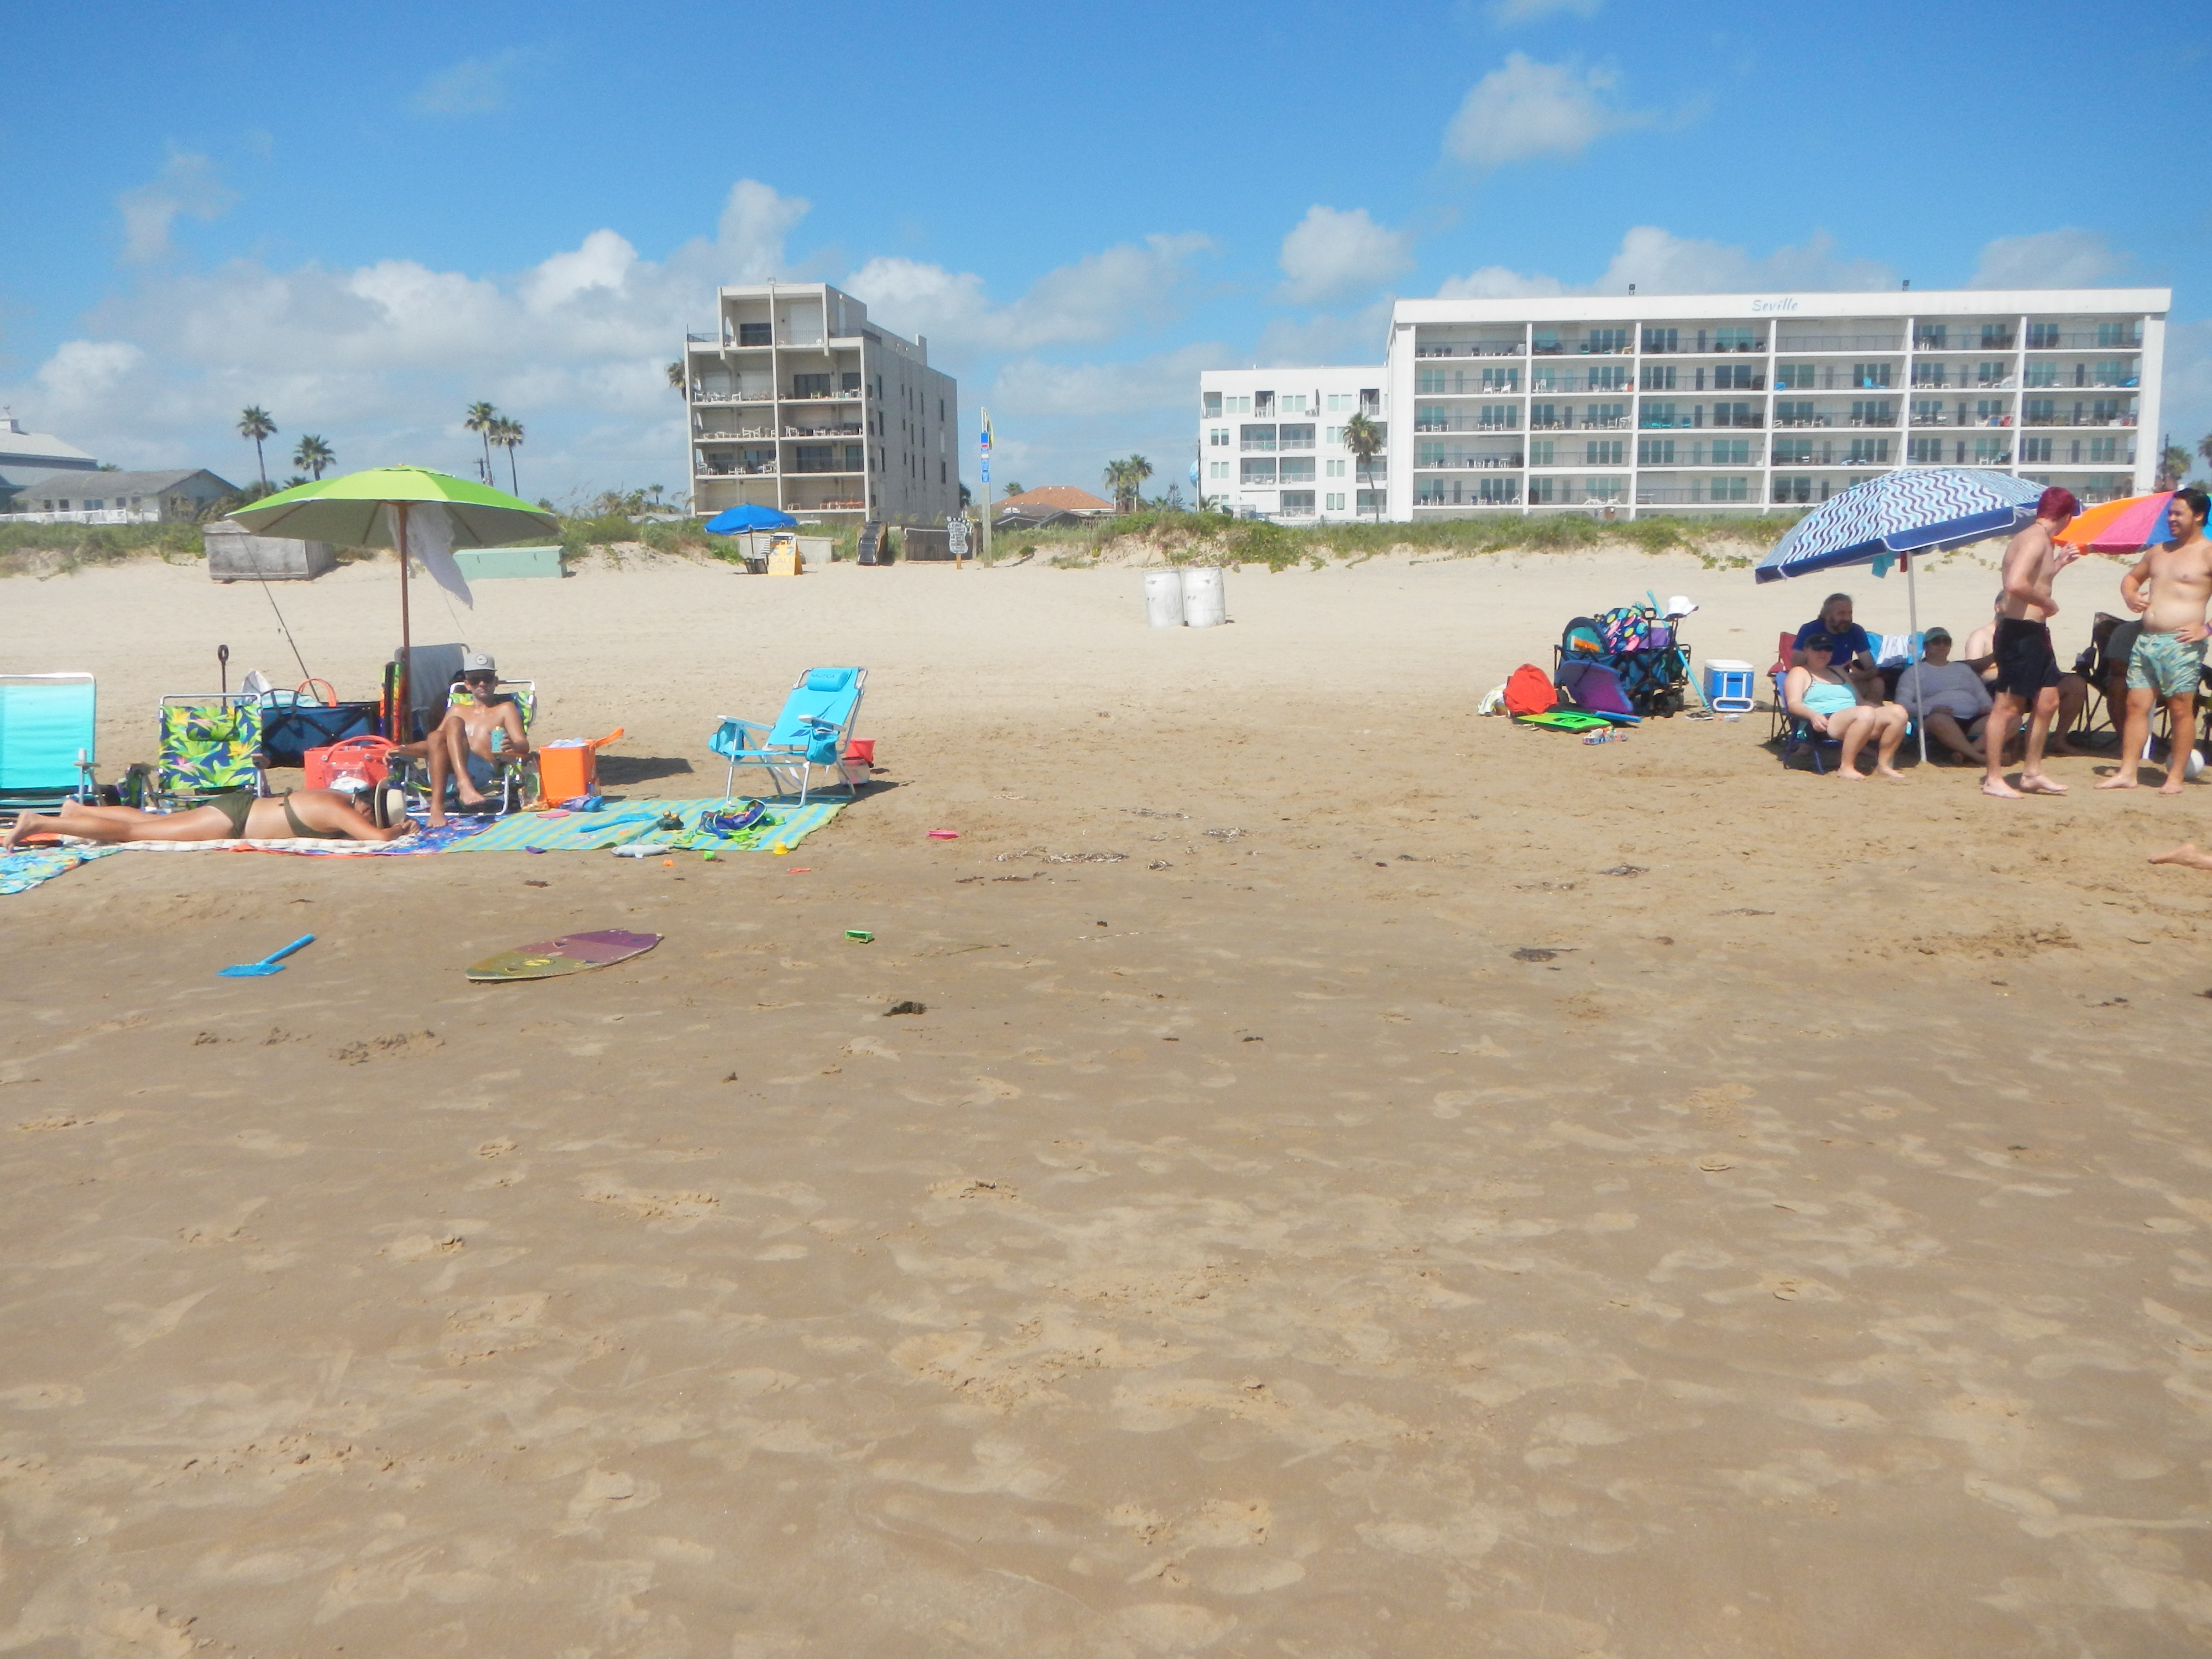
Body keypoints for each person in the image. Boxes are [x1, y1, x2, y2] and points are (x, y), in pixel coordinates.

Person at [2097, 487, 2212, 795]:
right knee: (2136, 705)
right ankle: (2127, 772)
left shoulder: (2207, 553)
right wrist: (2130, 595)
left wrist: (2207, 629)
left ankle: (2174, 777)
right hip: (2147, 640)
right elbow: (2132, 578)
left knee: (2180, 709)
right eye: (2170, 513)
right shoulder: (2159, 551)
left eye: (2178, 514)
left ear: (2198, 516)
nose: (2171, 518)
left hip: (2181, 643)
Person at [1983, 486, 2081, 799]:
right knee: (2007, 708)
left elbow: (2036, 578)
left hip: (2036, 634)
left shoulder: (2042, 541)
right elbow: (2015, 584)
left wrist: (2059, 563)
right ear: (2066, 516)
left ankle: (2032, 773)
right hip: (2019, 633)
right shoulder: (2035, 539)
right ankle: (1993, 778)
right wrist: (2047, 603)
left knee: (2049, 701)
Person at [3, 787, 411, 852]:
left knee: (147, 821)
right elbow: (375, 840)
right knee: (131, 832)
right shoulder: (340, 810)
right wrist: (399, 829)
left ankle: (78, 812)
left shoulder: (334, 796)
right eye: (371, 815)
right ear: (365, 808)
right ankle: (38, 823)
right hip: (232, 821)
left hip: (239, 807)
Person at [392, 651, 530, 827]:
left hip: (481, 772)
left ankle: (447, 797)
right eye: (475, 679)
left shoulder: (505, 709)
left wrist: (513, 746)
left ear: (496, 682)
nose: (482, 684)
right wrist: (404, 748)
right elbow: (434, 744)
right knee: (437, 735)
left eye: (487, 679)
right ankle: (452, 794)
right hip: (447, 773)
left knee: (453, 724)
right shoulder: (457, 709)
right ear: (467, 684)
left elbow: (523, 744)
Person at [1785, 632, 1908, 779]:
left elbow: (1860, 701)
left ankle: (1883, 766)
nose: (1823, 653)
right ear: (1806, 650)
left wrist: (1884, 711)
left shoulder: (1837, 671)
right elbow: (1793, 704)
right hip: (1823, 721)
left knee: (1898, 712)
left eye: (1828, 649)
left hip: (1859, 716)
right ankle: (1846, 767)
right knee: (1865, 713)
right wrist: (1813, 715)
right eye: (1817, 649)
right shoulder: (1799, 672)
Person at [1895, 627, 1992, 763]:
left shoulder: (1964, 669)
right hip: (1940, 720)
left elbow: (1981, 694)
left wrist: (1987, 707)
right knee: (1938, 720)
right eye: (1936, 641)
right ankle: (1978, 757)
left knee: (2011, 720)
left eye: (1946, 642)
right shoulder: (1914, 672)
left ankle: (1966, 753)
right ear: (1926, 647)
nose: (1942, 645)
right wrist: (1930, 710)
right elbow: (1902, 703)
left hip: (1974, 720)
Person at [1791, 593, 1882, 699]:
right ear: (1827, 615)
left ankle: (1868, 709)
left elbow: (1872, 668)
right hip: (1817, 680)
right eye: (1841, 614)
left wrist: (1861, 675)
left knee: (1877, 683)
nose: (1847, 618)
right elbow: (1796, 666)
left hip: (1845, 680)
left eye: (1850, 613)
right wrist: (1832, 672)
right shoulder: (1810, 630)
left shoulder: (1855, 631)